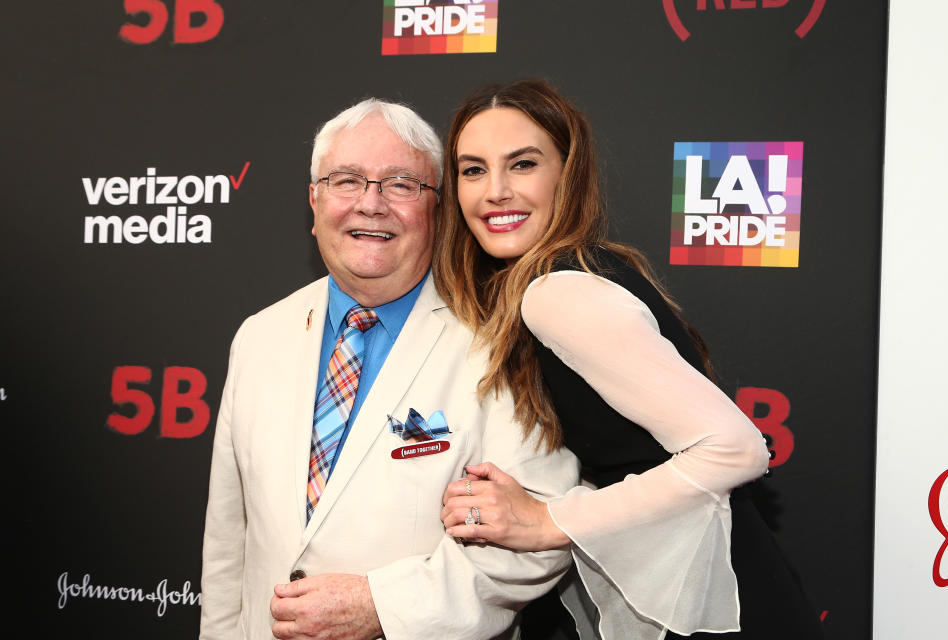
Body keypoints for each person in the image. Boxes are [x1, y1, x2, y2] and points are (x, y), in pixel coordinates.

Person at [435, 80, 825, 640]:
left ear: (567, 175)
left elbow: (735, 448)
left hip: (715, 596)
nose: (494, 191)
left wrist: (551, 520)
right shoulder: (583, 270)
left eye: (522, 164)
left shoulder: (556, 293)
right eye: (472, 170)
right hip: (703, 581)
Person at [199, 97, 578, 640]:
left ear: (439, 210)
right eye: (346, 180)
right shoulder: (259, 336)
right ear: (314, 200)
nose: (370, 205)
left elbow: (536, 535)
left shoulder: (503, 337)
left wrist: (383, 607)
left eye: (401, 184)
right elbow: (227, 539)